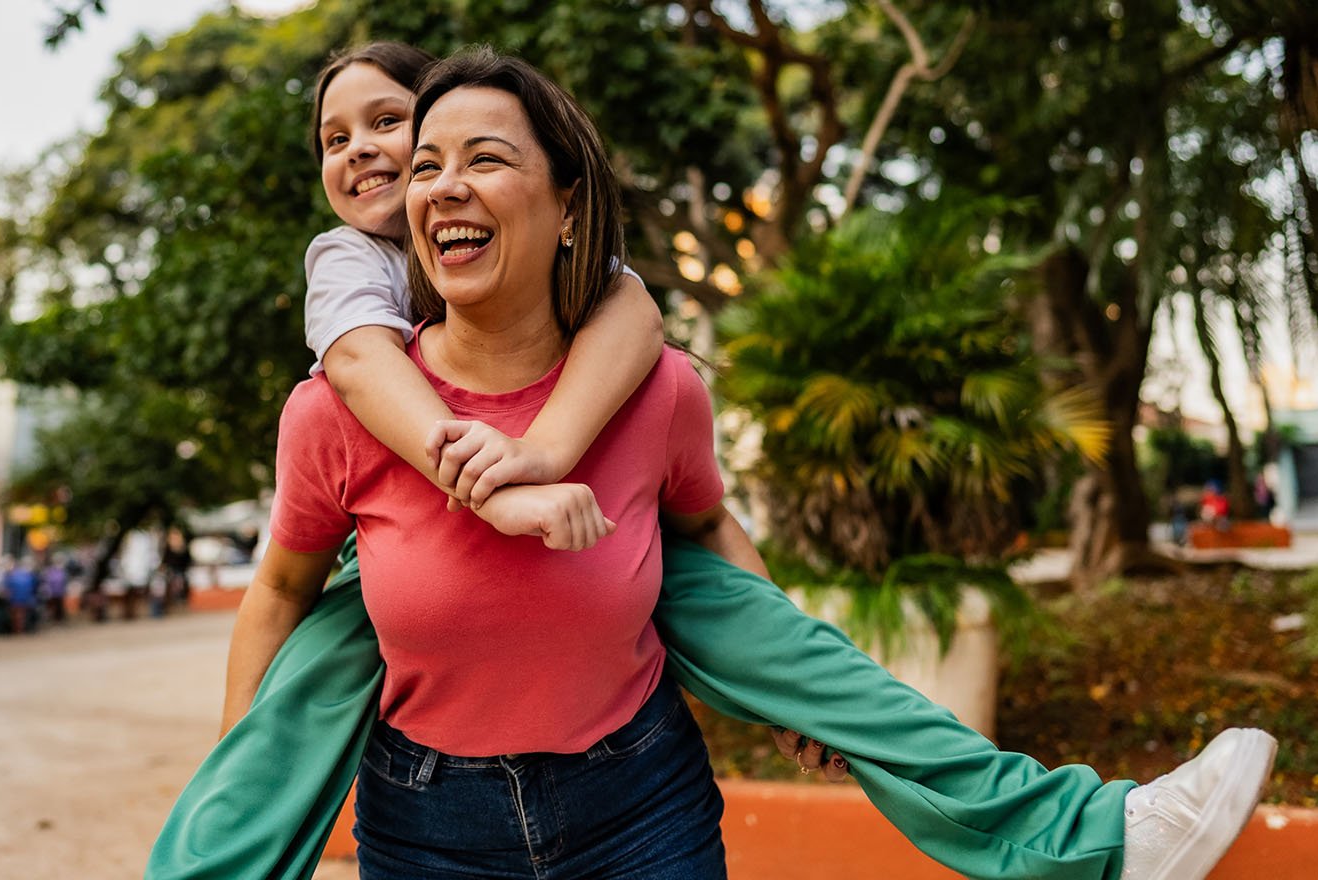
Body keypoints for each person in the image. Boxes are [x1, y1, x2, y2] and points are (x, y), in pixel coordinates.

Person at [148, 46, 1275, 880]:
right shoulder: (345, 326)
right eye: (350, 142)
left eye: (426, 137)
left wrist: (789, 685)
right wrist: (248, 786)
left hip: (638, 800)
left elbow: (701, 524)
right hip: (426, 807)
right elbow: (310, 499)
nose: (388, 163)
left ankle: (1097, 837)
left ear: (565, 193)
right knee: (342, 642)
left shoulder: (642, 360)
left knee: (745, 618)